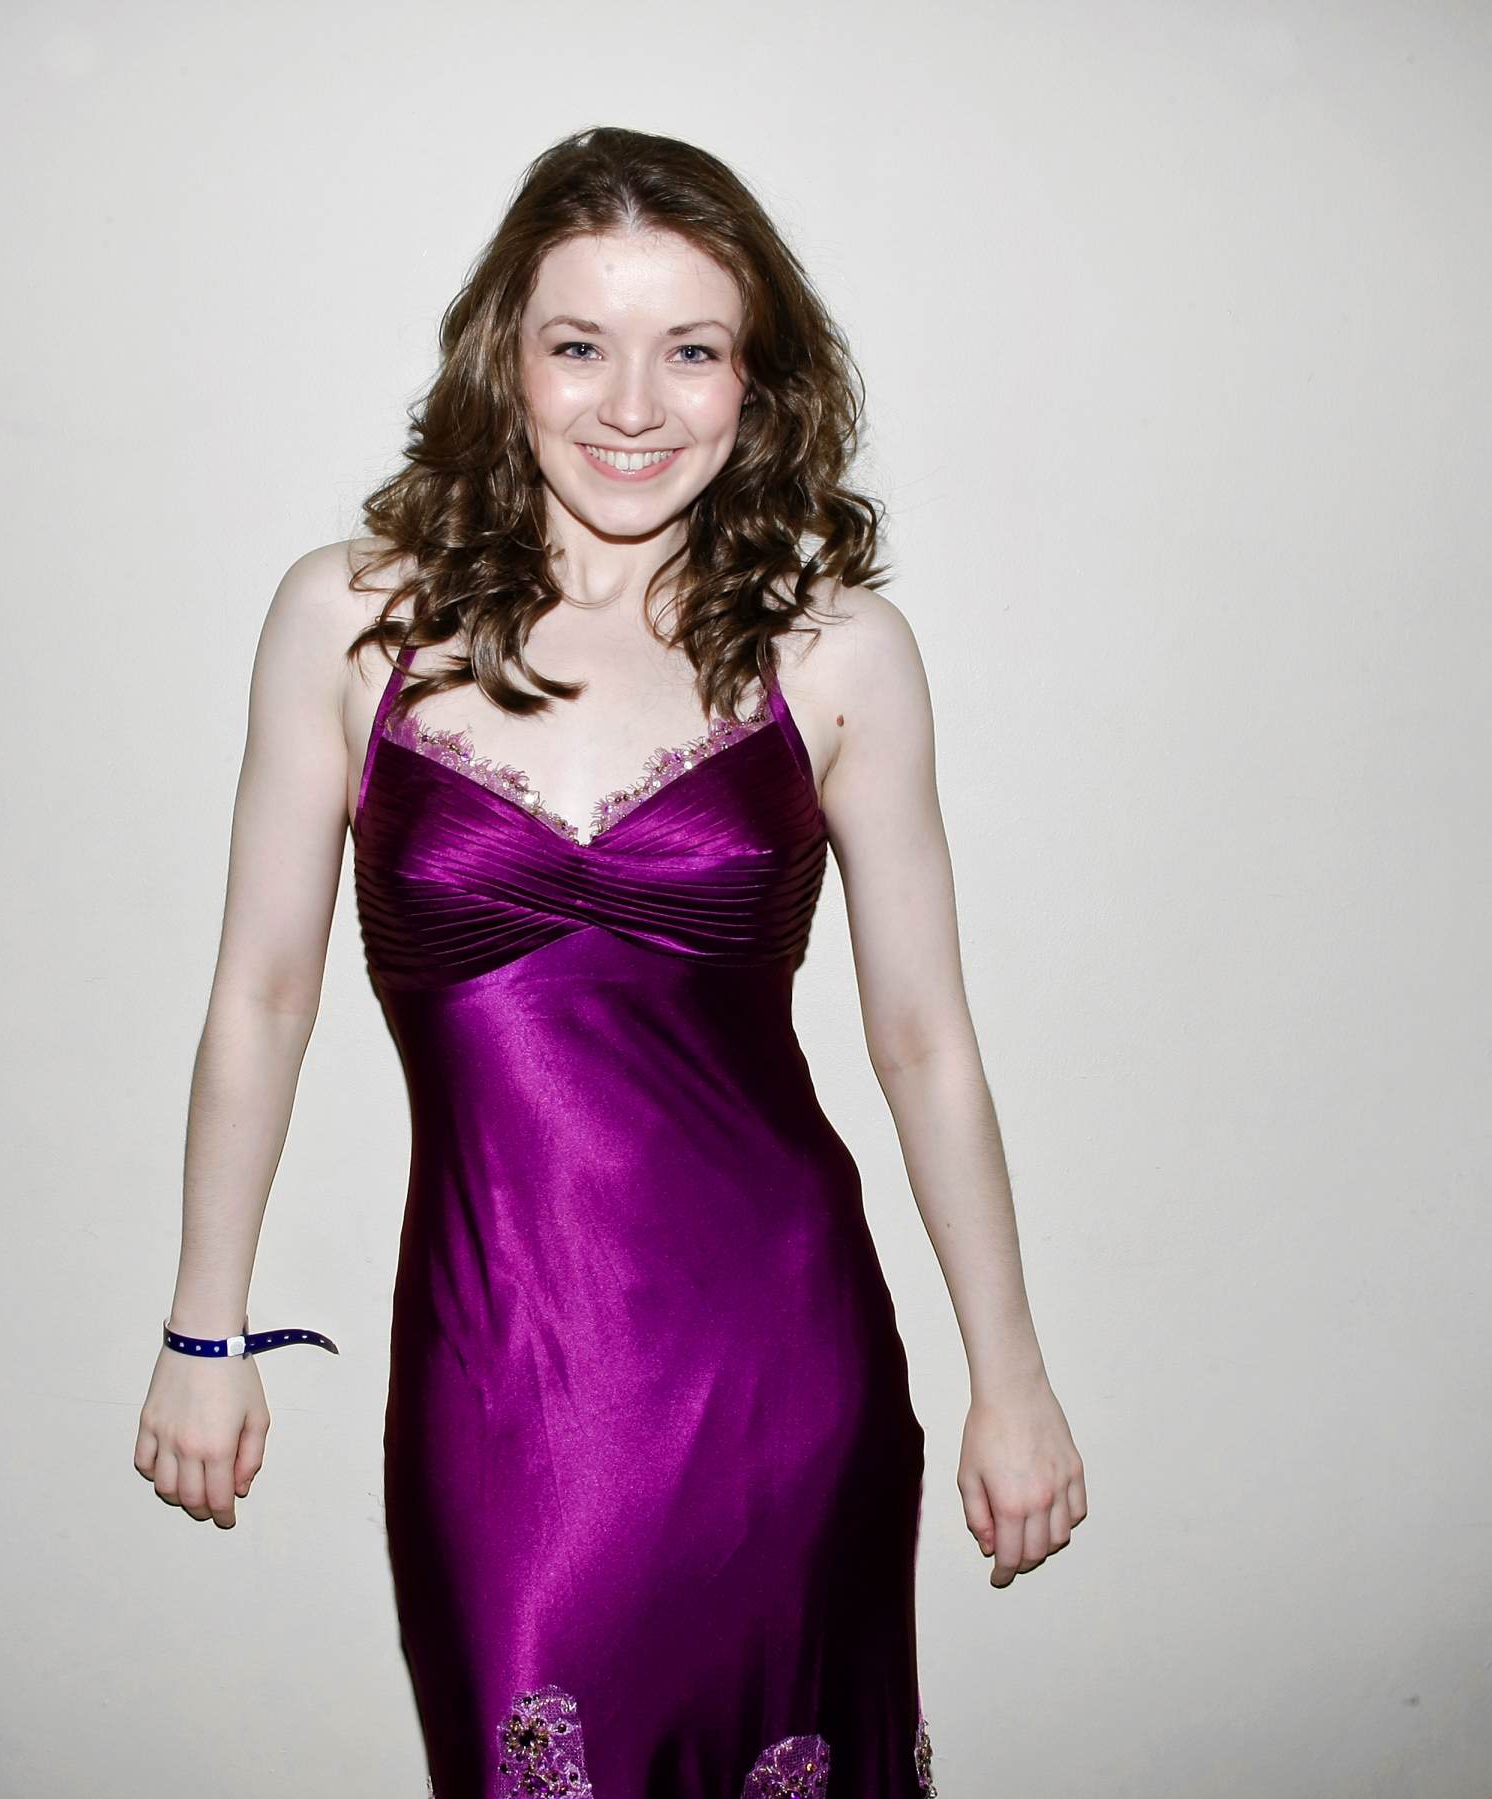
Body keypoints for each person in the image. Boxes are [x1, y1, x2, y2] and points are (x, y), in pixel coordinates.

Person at [133, 125, 1086, 1798]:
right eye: (581, 345)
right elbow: (262, 999)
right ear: (503, 357)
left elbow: (925, 1041)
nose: (634, 405)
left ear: (757, 379)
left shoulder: (840, 653)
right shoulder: (349, 621)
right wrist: (204, 1330)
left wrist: (1010, 1378)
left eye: (691, 351)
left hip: (782, 1355)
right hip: (501, 1365)